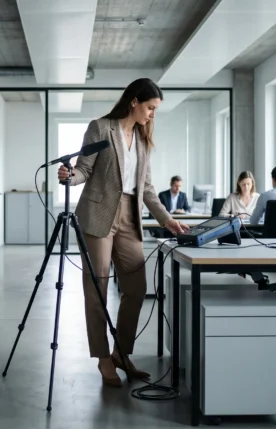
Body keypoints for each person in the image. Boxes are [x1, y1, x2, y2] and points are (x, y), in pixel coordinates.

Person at [57, 78, 189, 387]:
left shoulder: (143, 140)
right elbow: (84, 170)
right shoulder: (100, 128)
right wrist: (69, 176)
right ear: (134, 101)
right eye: (150, 107)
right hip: (99, 215)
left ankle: (121, 352)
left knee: (137, 287)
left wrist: (167, 220)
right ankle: (103, 357)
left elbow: (147, 188)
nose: (152, 114)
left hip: (130, 218)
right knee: (97, 288)